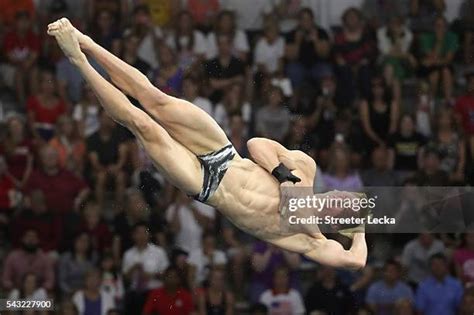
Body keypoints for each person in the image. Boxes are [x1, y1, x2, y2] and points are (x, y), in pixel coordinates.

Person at [48, 18, 368, 269]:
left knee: (142, 125)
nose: (340, 197)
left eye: (344, 206)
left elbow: (356, 261)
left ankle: (79, 61)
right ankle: (87, 42)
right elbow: (257, 144)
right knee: (155, 100)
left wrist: (362, 230)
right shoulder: (306, 170)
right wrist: (283, 176)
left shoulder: (309, 238)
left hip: (208, 185)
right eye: (344, 196)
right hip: (224, 153)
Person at [418, 15, 458, 100]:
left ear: (446, 27)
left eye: (442, 26)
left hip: (442, 65)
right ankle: (431, 102)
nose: (440, 28)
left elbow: (448, 59)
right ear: (433, 27)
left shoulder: (452, 37)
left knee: (446, 71)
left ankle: (448, 101)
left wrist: (433, 61)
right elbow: (432, 56)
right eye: (437, 25)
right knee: (434, 75)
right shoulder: (426, 37)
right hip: (428, 68)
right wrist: (439, 41)